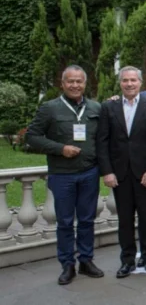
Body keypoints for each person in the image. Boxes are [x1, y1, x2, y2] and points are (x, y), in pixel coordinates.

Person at [26, 65, 104, 285]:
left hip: (89, 173)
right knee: (65, 222)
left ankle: (86, 260)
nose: (75, 85)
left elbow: (103, 138)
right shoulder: (49, 108)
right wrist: (61, 149)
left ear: (85, 84)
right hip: (62, 175)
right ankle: (67, 265)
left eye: (79, 81)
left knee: (87, 220)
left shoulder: (95, 108)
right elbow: (32, 136)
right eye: (70, 81)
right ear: (62, 83)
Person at [96, 66, 146, 278]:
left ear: (141, 82)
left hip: (145, 174)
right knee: (124, 220)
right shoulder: (108, 107)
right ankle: (127, 260)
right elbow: (102, 142)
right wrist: (107, 171)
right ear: (120, 83)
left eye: (133, 80)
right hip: (120, 174)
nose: (129, 84)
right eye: (125, 80)